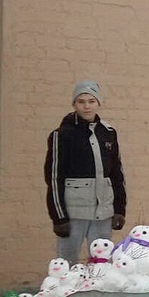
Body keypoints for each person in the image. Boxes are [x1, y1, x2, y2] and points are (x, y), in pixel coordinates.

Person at [45, 80, 126, 265]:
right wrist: (59, 217)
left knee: (101, 262)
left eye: (91, 101)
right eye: (81, 101)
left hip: (103, 212)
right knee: (66, 262)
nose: (87, 106)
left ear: (98, 103)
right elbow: (54, 177)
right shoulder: (62, 135)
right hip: (74, 213)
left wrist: (119, 209)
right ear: (74, 104)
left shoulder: (108, 133)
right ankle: (65, 294)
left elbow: (117, 173)